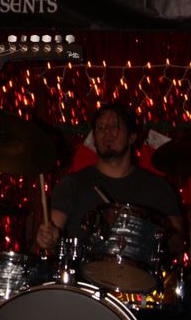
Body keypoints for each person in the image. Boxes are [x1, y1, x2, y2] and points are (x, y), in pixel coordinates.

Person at [36, 102, 186, 256]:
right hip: (83, 270)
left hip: (139, 270)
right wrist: (48, 238)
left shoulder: (157, 187)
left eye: (114, 126)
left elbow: (178, 242)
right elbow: (53, 231)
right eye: (100, 127)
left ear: (132, 137)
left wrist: (146, 233)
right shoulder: (71, 184)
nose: (106, 132)